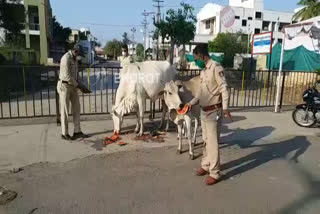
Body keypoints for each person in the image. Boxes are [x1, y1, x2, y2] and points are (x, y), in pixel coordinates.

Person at [185, 44, 232, 186]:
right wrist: (191, 103)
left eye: (195, 58)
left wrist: (225, 108)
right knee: (205, 140)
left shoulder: (216, 68)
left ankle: (215, 172)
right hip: (203, 111)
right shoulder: (204, 71)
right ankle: (206, 165)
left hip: (213, 111)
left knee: (213, 143)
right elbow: (200, 92)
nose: (195, 61)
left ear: (201, 55)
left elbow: (224, 88)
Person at [57, 44, 89, 140]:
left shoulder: (75, 60)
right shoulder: (65, 58)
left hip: (73, 86)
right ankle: (64, 133)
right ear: (76, 51)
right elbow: (67, 76)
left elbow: (76, 75)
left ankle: (77, 131)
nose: (80, 57)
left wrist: (83, 86)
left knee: (76, 108)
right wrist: (78, 85)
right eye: (80, 54)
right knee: (65, 110)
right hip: (64, 86)